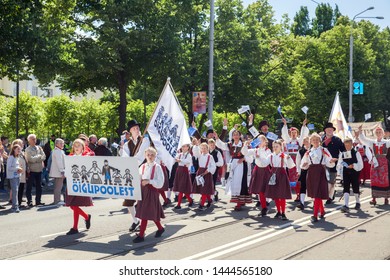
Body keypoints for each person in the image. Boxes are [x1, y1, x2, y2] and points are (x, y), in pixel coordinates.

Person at [121, 120, 150, 232]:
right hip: (131, 172)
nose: (136, 130)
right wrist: (129, 164)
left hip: (142, 171)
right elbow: (124, 156)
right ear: (130, 131)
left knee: (142, 199)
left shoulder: (145, 140)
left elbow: (142, 155)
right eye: (134, 129)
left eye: (137, 128)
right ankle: (135, 220)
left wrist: (132, 163)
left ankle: (142, 223)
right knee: (128, 199)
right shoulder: (127, 144)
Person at [300, 133, 337, 222]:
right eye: (313, 140)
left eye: (317, 140)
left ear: (319, 141)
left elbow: (329, 161)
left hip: (320, 172)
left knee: (317, 193)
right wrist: (304, 165)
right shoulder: (308, 152)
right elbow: (303, 163)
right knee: (316, 194)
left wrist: (331, 161)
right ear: (311, 142)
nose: (315, 141)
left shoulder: (324, 150)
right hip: (312, 172)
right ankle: (322, 211)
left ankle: (315, 215)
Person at [133, 147, 165, 243]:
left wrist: (149, 181)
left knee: (146, 213)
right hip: (143, 192)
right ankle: (160, 228)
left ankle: (141, 235)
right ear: (145, 155)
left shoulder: (157, 167)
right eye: (148, 155)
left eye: (152, 155)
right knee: (146, 212)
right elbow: (138, 179)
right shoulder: (142, 166)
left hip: (152, 191)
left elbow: (160, 182)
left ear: (155, 156)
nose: (150, 157)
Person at [216, 129, 252, 211]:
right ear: (232, 136)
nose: (235, 136)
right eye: (234, 134)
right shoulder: (230, 144)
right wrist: (217, 138)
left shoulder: (244, 144)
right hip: (233, 163)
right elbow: (221, 145)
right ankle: (238, 200)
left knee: (239, 182)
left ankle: (239, 202)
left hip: (241, 164)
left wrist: (243, 158)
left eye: (237, 134)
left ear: (240, 136)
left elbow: (249, 155)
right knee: (233, 181)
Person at [260, 140, 295, 220]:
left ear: (280, 147)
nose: (275, 148)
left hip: (282, 175)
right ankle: (278, 211)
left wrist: (289, 159)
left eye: (277, 146)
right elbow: (264, 163)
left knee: (282, 195)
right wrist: (259, 156)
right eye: (274, 146)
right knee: (275, 194)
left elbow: (291, 166)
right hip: (273, 175)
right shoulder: (271, 156)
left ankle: (283, 212)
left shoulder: (284, 156)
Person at [65, 139, 92, 235]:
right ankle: (86, 217)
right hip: (72, 183)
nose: (76, 147)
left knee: (75, 205)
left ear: (82, 147)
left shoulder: (86, 157)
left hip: (81, 184)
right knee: (72, 205)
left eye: (78, 146)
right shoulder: (70, 157)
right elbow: (67, 169)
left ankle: (75, 227)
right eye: (75, 146)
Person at [358, 125, 390, 205]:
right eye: (377, 132)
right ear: (375, 133)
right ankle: (374, 198)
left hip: (383, 163)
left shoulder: (386, 142)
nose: (378, 133)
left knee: (384, 179)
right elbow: (363, 139)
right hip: (375, 162)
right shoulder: (372, 142)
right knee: (374, 179)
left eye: (380, 132)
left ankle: (386, 198)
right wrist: (360, 131)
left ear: (383, 134)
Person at [242, 135, 272, 216]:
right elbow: (244, 152)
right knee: (260, 190)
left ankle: (277, 208)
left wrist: (259, 158)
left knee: (267, 189)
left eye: (261, 140)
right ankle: (264, 207)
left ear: (265, 142)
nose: (259, 142)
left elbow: (266, 162)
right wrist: (246, 144)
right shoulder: (255, 150)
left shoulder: (268, 151)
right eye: (258, 140)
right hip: (257, 170)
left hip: (265, 170)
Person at [281, 117, 309, 202]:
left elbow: (304, 135)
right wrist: (285, 124)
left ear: (297, 133)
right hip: (290, 161)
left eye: (295, 132)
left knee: (297, 177)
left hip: (297, 160)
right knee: (291, 177)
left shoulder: (299, 141)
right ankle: (291, 192)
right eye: (292, 133)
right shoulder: (288, 140)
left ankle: (298, 194)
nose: (293, 134)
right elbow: (284, 134)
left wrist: (304, 126)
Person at [321, 122, 345, 204]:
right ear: (325, 130)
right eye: (328, 129)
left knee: (331, 181)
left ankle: (330, 197)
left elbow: (343, 150)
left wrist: (341, 159)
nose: (330, 131)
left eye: (331, 129)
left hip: (333, 164)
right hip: (322, 164)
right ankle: (329, 193)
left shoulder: (337, 140)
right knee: (324, 181)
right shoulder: (321, 140)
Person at [337, 138, 363, 213]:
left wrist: (354, 165)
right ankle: (346, 205)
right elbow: (339, 163)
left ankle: (357, 202)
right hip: (346, 172)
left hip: (354, 172)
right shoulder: (342, 153)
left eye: (348, 145)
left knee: (355, 187)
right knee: (346, 187)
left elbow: (361, 164)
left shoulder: (356, 153)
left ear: (352, 144)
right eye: (346, 145)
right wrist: (341, 168)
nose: (347, 147)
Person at [192, 142, 217, 211]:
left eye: (205, 148)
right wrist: (196, 146)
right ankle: (209, 200)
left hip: (207, 173)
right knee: (202, 190)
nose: (203, 150)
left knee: (205, 190)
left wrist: (208, 170)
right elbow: (195, 152)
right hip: (200, 172)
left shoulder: (210, 156)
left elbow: (213, 166)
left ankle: (201, 205)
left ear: (207, 148)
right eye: (202, 148)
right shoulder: (200, 155)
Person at [25, 134, 46, 207]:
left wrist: (37, 158)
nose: (34, 140)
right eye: (33, 139)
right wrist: (39, 157)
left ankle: (38, 201)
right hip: (31, 170)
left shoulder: (39, 148)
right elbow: (31, 159)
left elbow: (44, 157)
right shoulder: (28, 149)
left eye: (35, 139)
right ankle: (29, 201)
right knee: (29, 187)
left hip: (39, 170)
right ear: (29, 141)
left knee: (39, 187)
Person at [173, 144, 193, 209]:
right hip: (179, 171)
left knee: (182, 188)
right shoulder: (180, 154)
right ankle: (190, 200)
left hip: (184, 171)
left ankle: (179, 204)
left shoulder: (189, 155)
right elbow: (175, 159)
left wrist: (180, 160)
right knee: (181, 188)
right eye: (183, 146)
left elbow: (187, 161)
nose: (184, 148)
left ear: (188, 147)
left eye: (185, 146)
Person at [6, 144, 23, 213]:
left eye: (20, 149)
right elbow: (9, 167)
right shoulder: (11, 157)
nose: (19, 150)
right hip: (12, 176)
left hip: (17, 176)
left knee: (16, 191)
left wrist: (19, 170)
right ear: (13, 149)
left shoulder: (17, 157)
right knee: (15, 191)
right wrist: (17, 168)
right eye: (17, 149)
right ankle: (15, 206)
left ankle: (15, 206)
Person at [295, 136, 310, 210]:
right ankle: (302, 202)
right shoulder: (301, 151)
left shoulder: (312, 150)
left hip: (312, 170)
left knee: (312, 187)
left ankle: (316, 202)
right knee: (303, 186)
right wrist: (299, 171)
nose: (307, 142)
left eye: (308, 141)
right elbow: (298, 161)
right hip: (304, 170)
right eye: (305, 141)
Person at [11, 139, 27, 208]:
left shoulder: (22, 153)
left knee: (21, 188)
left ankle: (19, 203)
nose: (23, 144)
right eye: (21, 143)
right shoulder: (14, 154)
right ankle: (16, 204)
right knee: (18, 189)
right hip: (17, 174)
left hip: (22, 174)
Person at [49, 138, 66, 205]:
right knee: (58, 187)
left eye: (63, 143)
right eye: (61, 143)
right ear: (56, 144)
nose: (62, 144)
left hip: (57, 171)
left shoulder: (58, 151)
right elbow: (59, 162)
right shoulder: (58, 151)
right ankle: (57, 200)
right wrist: (62, 171)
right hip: (59, 172)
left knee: (57, 186)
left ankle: (57, 199)